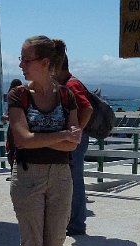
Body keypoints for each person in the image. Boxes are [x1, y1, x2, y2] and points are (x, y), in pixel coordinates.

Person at [8, 35, 82, 246]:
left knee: (55, 240)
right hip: (28, 176)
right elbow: (22, 139)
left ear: (45, 63)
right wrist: (60, 135)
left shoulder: (66, 96)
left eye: (26, 59)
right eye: (21, 59)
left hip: (61, 176)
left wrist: (50, 139)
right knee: (32, 242)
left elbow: (73, 143)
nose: (22, 65)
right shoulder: (18, 96)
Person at [56, 56, 93, 236]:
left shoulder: (71, 85)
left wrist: (77, 131)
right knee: (71, 179)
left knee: (75, 180)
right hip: (74, 137)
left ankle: (77, 223)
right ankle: (72, 220)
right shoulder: (68, 84)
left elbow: (87, 109)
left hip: (75, 140)